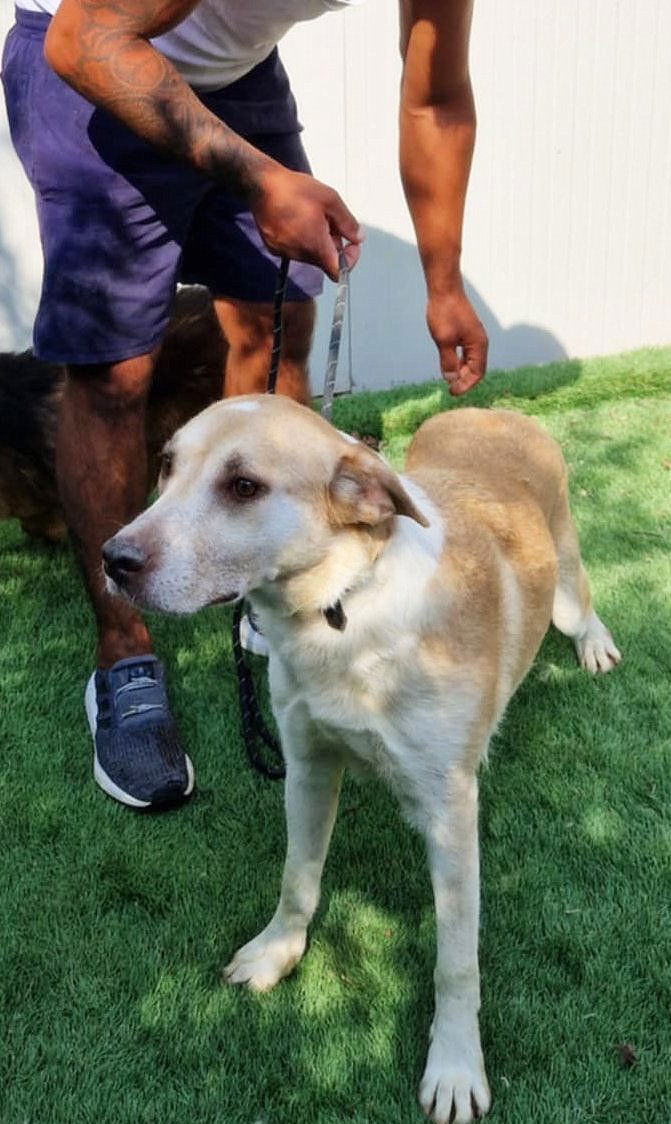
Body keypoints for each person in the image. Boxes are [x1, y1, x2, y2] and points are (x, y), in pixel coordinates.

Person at [2, 0, 488, 809]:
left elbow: (434, 99)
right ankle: (124, 655)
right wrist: (261, 179)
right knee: (113, 373)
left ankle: (260, 583)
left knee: (276, 320)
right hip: (89, 62)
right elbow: (83, 37)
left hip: (237, 73)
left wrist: (442, 285)